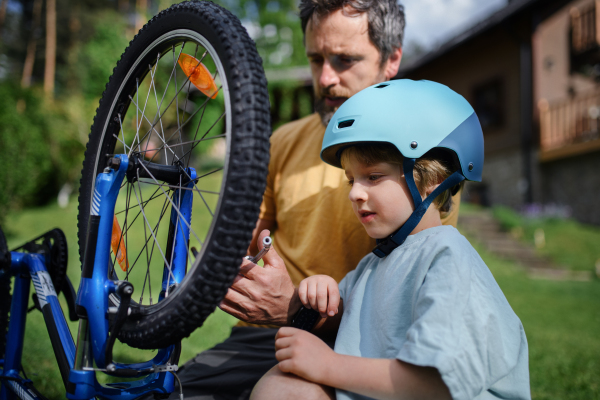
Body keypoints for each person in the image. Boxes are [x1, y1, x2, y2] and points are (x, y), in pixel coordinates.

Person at [160, 1, 459, 399]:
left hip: (361, 351)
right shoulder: (283, 141)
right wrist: (225, 268)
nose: (327, 78)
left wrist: (294, 309)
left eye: (345, 60)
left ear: (392, 60)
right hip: (260, 338)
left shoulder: (423, 159)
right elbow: (246, 243)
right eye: (316, 59)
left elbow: (403, 319)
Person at [251, 79, 531, 400]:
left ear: (432, 181)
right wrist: (320, 301)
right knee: (282, 383)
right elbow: (339, 329)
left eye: (373, 177)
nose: (355, 193)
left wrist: (327, 365)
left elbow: (431, 385)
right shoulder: (372, 265)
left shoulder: (447, 257)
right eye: (351, 180)